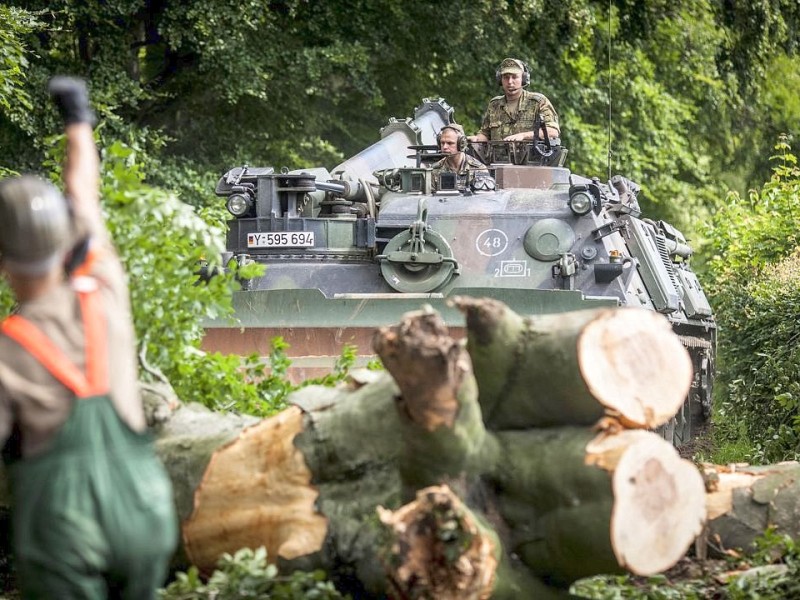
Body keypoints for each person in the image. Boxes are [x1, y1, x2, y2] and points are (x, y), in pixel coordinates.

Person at [0, 77, 177, 598]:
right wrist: (78, 118)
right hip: (144, 509)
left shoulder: (9, 350)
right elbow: (83, 195)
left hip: (63, 523)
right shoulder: (102, 287)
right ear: (64, 242)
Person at [468, 58, 560, 143]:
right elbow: (485, 134)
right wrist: (477, 139)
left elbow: (553, 131)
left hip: (530, 159)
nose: (510, 82)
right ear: (500, 80)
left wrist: (524, 136)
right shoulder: (494, 105)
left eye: (515, 77)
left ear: (523, 79)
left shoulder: (538, 102)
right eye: (506, 77)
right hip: (498, 160)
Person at [430, 123, 492, 191]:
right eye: (442, 143)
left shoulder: (478, 169)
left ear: (461, 144)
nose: (444, 147)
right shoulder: (434, 170)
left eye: (450, 143)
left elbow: (484, 198)